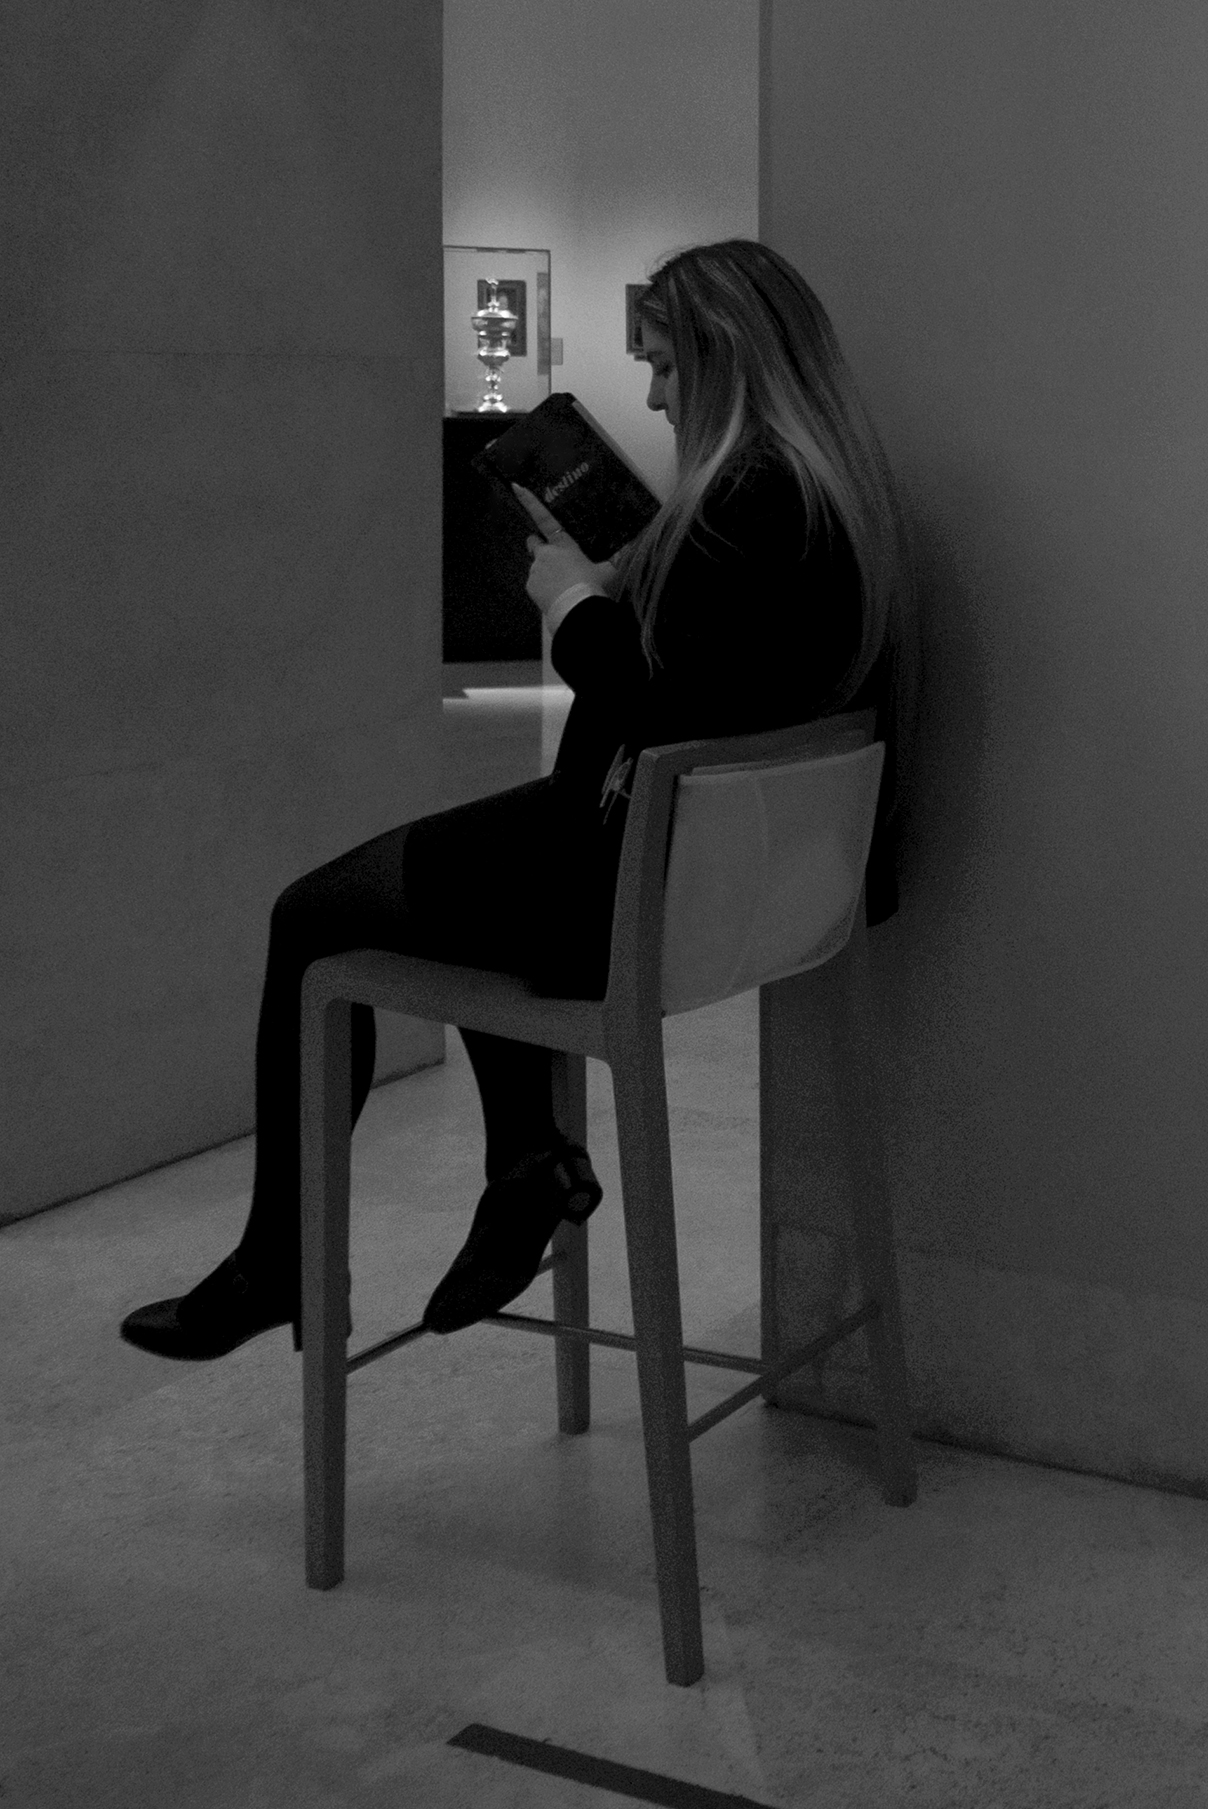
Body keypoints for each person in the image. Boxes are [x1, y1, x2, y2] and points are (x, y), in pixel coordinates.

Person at [120, 240, 909, 1360]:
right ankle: (525, 1163)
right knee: (472, 867)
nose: (650, 395)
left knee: (309, 919)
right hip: (734, 901)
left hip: (622, 899)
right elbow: (725, 676)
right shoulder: (826, 500)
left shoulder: (752, 499)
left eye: (669, 370)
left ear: (727, 360)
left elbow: (655, 699)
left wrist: (572, 608)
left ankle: (285, 1257)